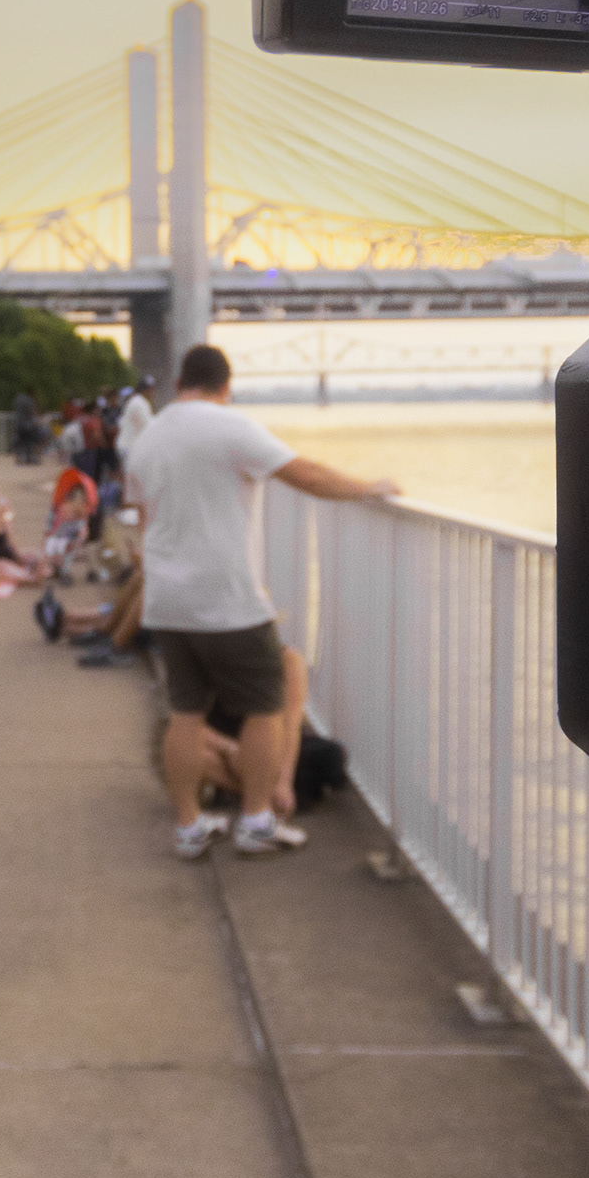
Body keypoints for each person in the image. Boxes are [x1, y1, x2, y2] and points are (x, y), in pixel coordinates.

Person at [122, 344, 396, 862]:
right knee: (265, 707)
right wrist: (368, 487)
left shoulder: (149, 437)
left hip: (167, 599)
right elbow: (307, 476)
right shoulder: (230, 428)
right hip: (225, 598)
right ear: (225, 385)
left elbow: (142, 515)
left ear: (181, 382)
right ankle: (254, 820)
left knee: (184, 713)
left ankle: (188, 826)